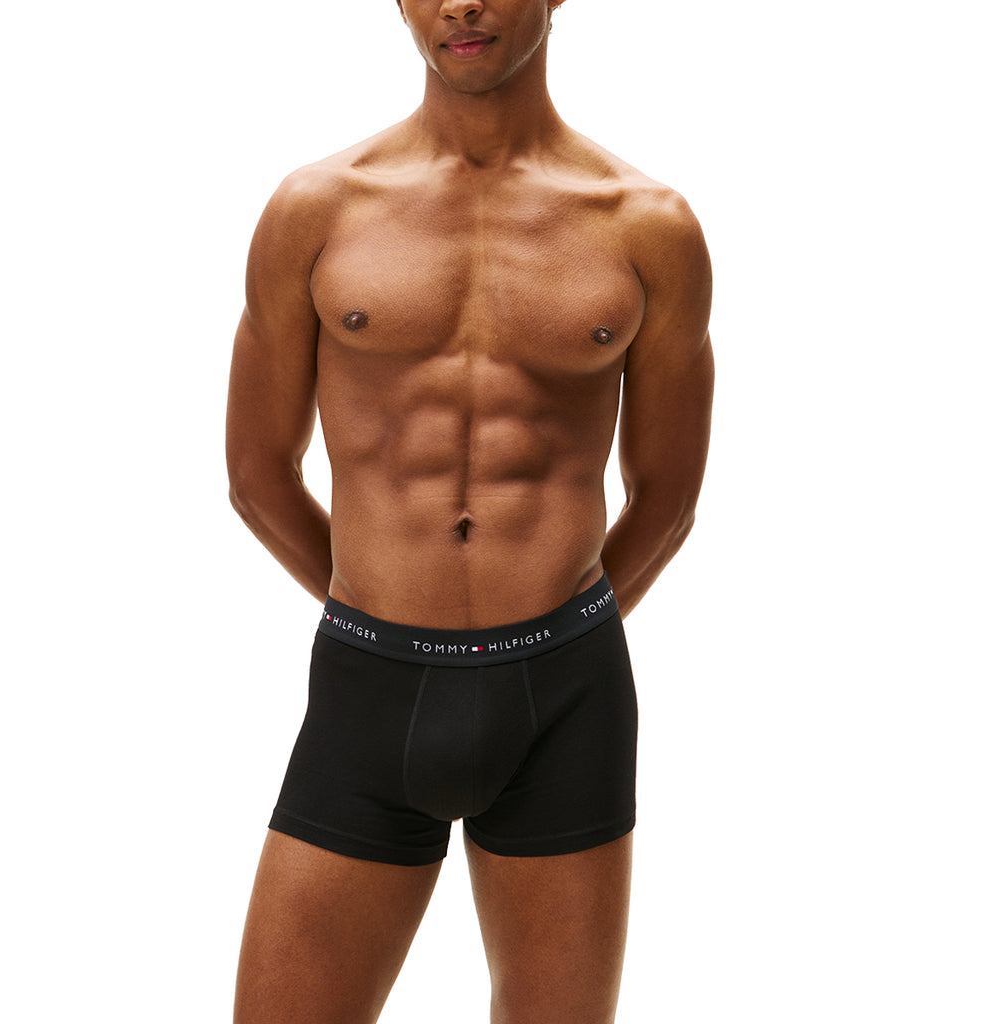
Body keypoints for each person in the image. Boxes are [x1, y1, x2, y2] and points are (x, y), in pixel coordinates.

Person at [225, 0, 713, 1020]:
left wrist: (546, 641)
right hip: (368, 690)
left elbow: (666, 497)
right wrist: (383, 615)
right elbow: (257, 472)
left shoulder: (646, 226)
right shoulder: (316, 210)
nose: (461, 4)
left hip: (566, 706)